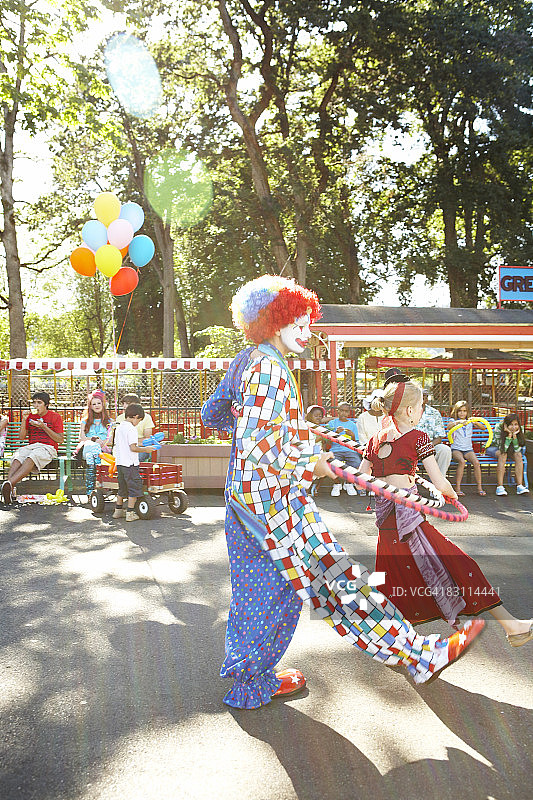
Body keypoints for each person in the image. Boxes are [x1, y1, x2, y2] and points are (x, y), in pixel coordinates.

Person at [201, 275, 484, 710]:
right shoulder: (272, 370)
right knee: (339, 582)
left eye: (307, 321)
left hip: (243, 500)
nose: (307, 330)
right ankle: (419, 655)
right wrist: (314, 462)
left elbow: (213, 413)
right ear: (273, 322)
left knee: (263, 591)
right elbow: (266, 447)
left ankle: (250, 680)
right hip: (277, 502)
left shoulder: (244, 362)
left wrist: (268, 433)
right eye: (298, 320)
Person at [359, 375, 532, 645]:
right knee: (461, 565)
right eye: (421, 407)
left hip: (388, 523)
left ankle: (392, 642)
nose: (422, 412)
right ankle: (513, 626)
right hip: (410, 521)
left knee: (394, 580)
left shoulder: (375, 439)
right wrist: (449, 495)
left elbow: (361, 478)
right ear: (409, 410)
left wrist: (388, 484)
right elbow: (439, 481)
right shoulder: (418, 437)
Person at [1, 392, 64, 505]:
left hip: (48, 447)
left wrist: (43, 426)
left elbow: (59, 439)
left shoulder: (55, 417)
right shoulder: (30, 416)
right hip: (32, 446)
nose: (35, 405)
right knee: (18, 455)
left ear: (46, 405)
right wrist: (24, 419)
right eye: (34, 402)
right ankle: (9, 487)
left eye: (39, 403)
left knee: (32, 457)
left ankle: (9, 484)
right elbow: (21, 437)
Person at [112, 404, 156, 522]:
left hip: (120, 463)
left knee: (122, 488)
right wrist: (146, 449)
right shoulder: (131, 429)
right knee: (134, 489)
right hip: (130, 464)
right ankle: (130, 513)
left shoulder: (119, 427)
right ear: (136, 417)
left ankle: (118, 510)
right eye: (140, 420)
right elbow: (133, 448)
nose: (139, 423)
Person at [76, 389, 114, 495]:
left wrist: (103, 443)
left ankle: (90, 490)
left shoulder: (109, 422)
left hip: (102, 450)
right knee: (93, 449)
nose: (96, 405)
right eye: (94, 404)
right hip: (87, 447)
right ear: (90, 406)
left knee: (92, 456)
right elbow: (82, 438)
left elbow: (110, 439)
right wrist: (94, 439)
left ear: (103, 404)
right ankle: (99, 482)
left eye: (99, 403)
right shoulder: (85, 421)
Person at [485, 413, 529, 496]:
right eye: (511, 425)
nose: (514, 427)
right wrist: (509, 435)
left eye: (516, 424)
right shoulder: (498, 427)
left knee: (518, 455)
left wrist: (514, 436)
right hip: (494, 448)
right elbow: (502, 449)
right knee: (503, 455)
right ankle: (500, 487)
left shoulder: (520, 429)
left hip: (510, 448)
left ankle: (519, 486)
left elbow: (517, 449)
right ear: (506, 425)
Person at [448, 401, 486, 496]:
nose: (462, 413)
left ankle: (479, 488)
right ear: (456, 412)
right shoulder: (453, 420)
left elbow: (483, 428)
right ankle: (457, 489)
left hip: (468, 449)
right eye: (460, 411)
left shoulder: (470, 421)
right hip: (456, 449)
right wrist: (458, 422)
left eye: (464, 411)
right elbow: (448, 427)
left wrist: (475, 422)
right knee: (462, 462)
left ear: (467, 412)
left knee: (476, 463)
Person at [326, 401, 363, 496]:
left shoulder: (352, 425)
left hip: (349, 450)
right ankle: (337, 483)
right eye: (341, 410)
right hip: (335, 450)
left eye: (346, 411)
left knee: (357, 463)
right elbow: (327, 442)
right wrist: (335, 433)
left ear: (349, 412)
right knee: (330, 464)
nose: (343, 413)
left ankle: (348, 483)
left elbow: (356, 443)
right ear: (338, 411)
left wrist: (352, 436)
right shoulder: (332, 423)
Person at [416, 388, 452, 477]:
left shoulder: (434, 413)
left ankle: (439, 482)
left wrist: (427, 447)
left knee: (445, 450)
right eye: (420, 396)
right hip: (410, 448)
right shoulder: (407, 411)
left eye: (425, 396)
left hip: (430, 447)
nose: (423, 398)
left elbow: (439, 437)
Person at [110, 393, 154, 463]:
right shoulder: (121, 420)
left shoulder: (146, 417)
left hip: (138, 447)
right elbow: (116, 438)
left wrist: (130, 442)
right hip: (125, 449)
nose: (124, 406)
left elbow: (147, 439)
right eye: (123, 403)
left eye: (128, 403)